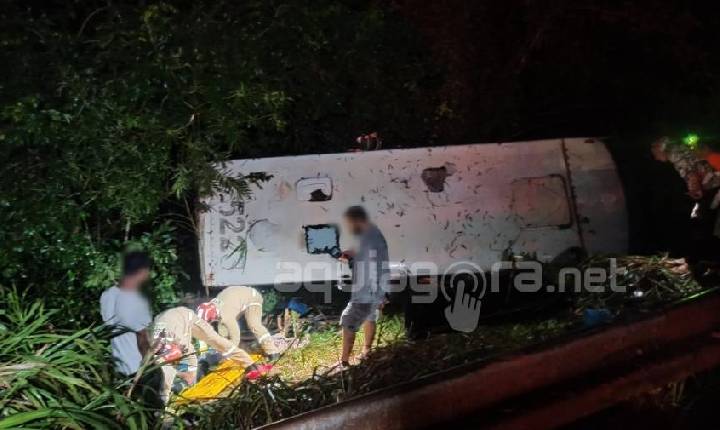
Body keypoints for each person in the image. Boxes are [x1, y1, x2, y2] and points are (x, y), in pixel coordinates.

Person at [152, 306, 271, 403]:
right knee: (165, 371)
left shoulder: (181, 341)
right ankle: (162, 400)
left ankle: (248, 363)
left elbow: (191, 355)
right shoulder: (154, 348)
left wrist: (191, 375)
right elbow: (165, 368)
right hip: (165, 324)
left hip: (185, 316)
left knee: (214, 339)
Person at [100, 251, 162, 408]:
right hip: (138, 369)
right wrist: (152, 364)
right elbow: (142, 339)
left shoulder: (107, 295)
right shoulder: (136, 301)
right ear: (142, 271)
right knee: (153, 409)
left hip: (119, 366)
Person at [336, 206, 389, 368]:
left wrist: (351, 260)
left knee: (348, 321)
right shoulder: (372, 234)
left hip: (367, 291)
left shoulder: (370, 238)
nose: (349, 228)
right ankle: (367, 351)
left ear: (356, 220)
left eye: (349, 224)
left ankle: (344, 363)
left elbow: (371, 265)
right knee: (370, 317)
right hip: (373, 290)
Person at [196, 286, 280, 360]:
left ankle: (272, 351)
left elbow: (235, 336)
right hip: (237, 300)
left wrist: (229, 352)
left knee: (254, 324)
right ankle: (239, 351)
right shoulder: (215, 306)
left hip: (252, 297)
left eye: (210, 319)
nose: (211, 321)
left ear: (213, 313)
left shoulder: (225, 314)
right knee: (223, 331)